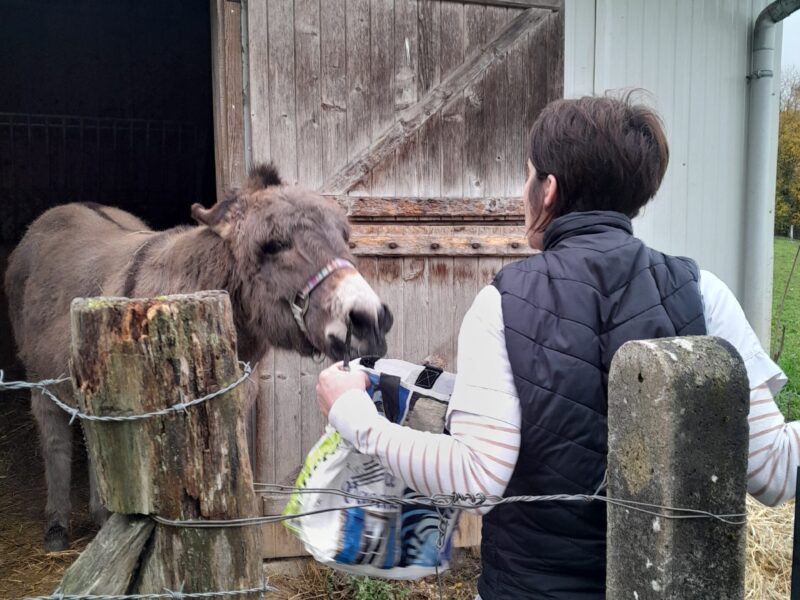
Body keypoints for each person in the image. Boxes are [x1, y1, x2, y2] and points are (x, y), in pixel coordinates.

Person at [315, 94, 796, 599]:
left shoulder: (502, 301)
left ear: (549, 190)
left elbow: (476, 477)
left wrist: (353, 414)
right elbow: (775, 471)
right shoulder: (703, 292)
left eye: (528, 176)